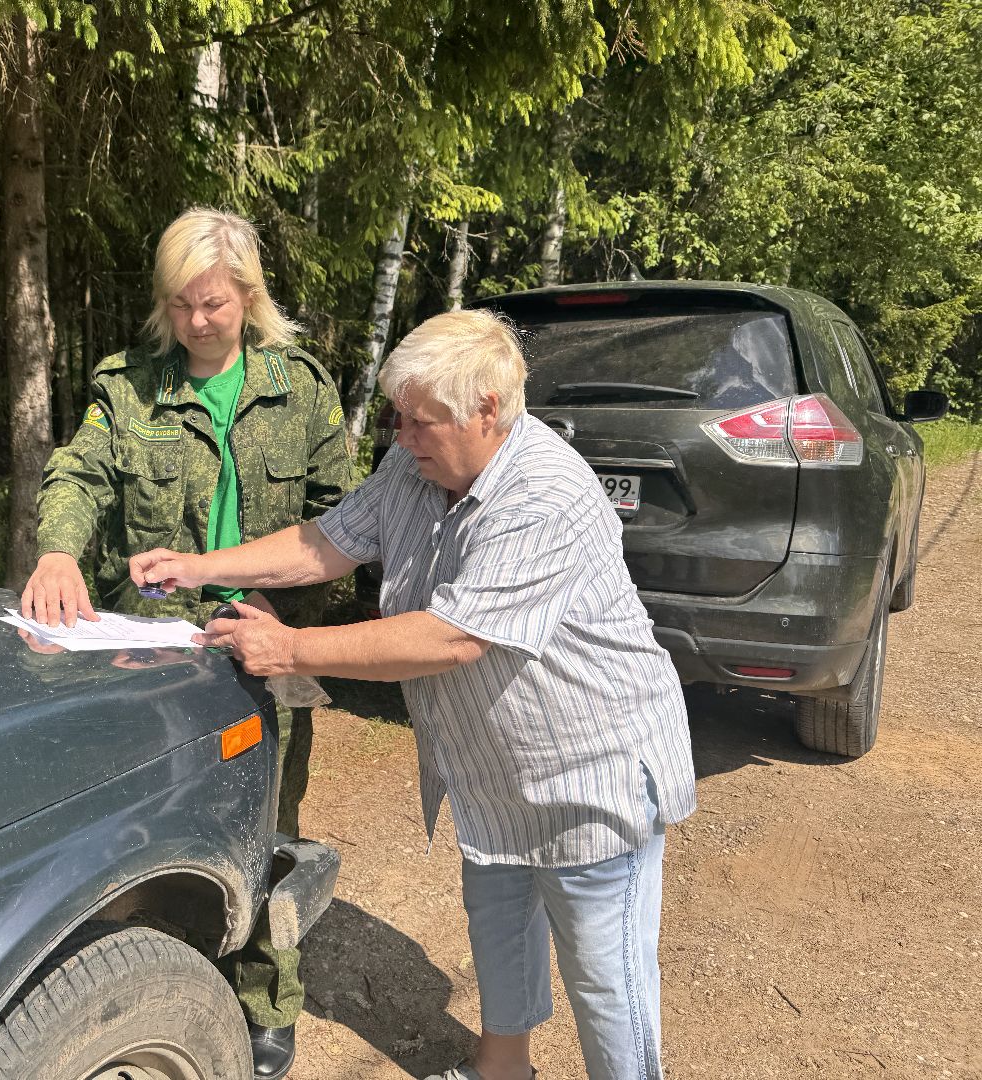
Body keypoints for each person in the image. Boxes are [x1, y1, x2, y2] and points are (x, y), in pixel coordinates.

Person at [130, 309, 698, 1080]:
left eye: (419, 421)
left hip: (589, 774)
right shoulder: (416, 463)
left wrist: (290, 649)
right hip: (494, 769)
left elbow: (452, 637)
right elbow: (326, 542)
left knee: (606, 977)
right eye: (398, 417)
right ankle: (503, 1069)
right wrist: (198, 567)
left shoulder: (545, 494)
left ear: (487, 409)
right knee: (499, 925)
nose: (402, 435)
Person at [19, 207, 354, 1079]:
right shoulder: (128, 387)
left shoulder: (303, 389)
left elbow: (346, 523)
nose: (197, 322)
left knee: (266, 827)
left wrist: (293, 620)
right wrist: (59, 547)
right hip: (152, 660)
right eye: (179, 306)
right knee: (140, 828)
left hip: (269, 656)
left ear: (248, 295)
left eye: (213, 304)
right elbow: (79, 472)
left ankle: (265, 1001)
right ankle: (144, 989)